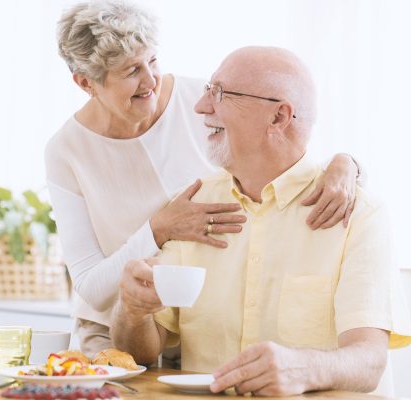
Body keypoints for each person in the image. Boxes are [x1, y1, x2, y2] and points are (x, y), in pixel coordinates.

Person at [46, 0, 361, 357]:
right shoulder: (66, 151)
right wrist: (158, 229)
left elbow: (288, 143)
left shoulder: (203, 101)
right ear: (86, 83)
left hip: (205, 323)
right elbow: (90, 286)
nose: (150, 80)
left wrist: (345, 163)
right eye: (131, 71)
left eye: (152, 61)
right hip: (119, 330)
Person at [110, 46, 411, 396]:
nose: (201, 106)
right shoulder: (194, 206)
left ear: (278, 117)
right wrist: (132, 311)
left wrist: (304, 367)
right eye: (208, 90)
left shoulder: (359, 213)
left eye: (219, 93)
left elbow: (369, 362)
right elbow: (141, 352)